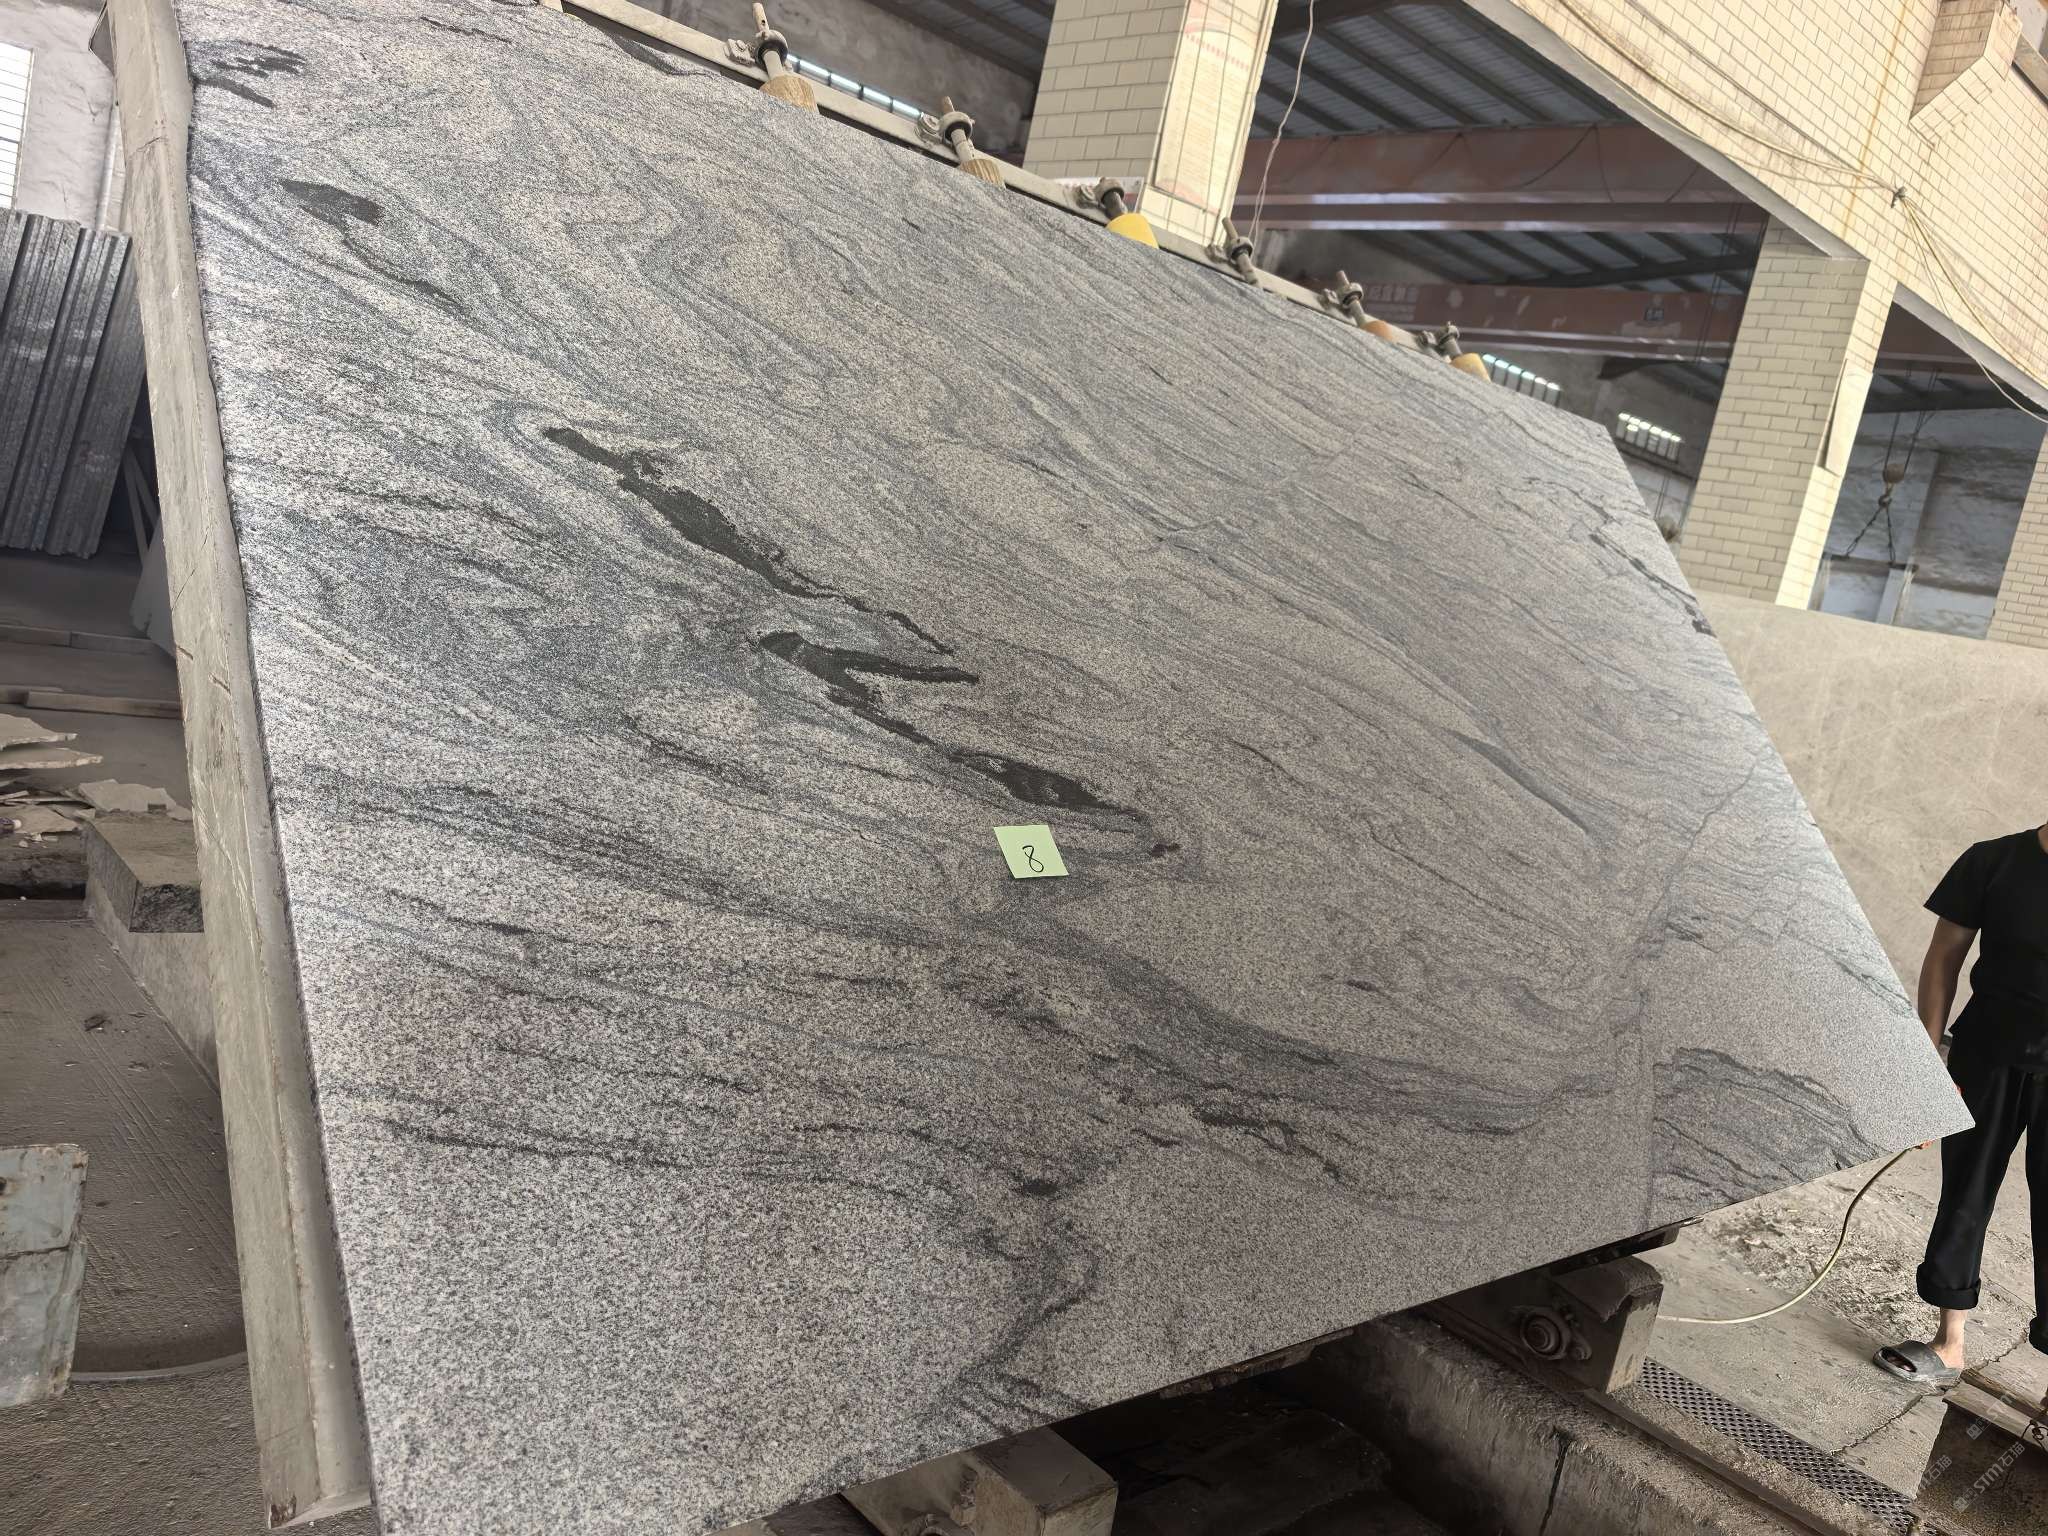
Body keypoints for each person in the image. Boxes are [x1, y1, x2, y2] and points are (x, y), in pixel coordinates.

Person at [1874, 821, 2048, 1391]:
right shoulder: (1993, 861)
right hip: (1986, 1054)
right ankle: (1949, 1344)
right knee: (1965, 1196)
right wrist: (1926, 1060)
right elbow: (1944, 956)